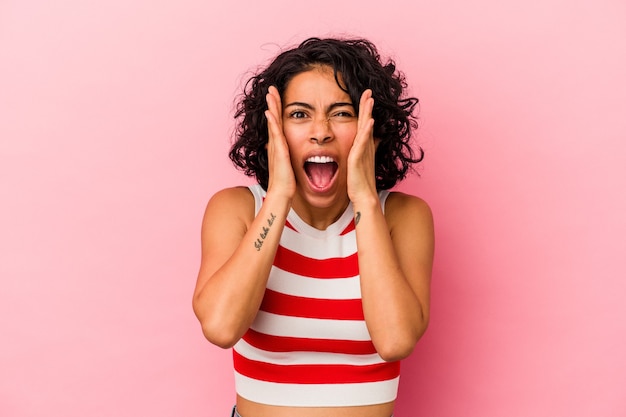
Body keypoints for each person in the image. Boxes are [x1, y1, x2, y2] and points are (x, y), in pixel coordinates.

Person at [192, 36, 434, 417]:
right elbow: (221, 327)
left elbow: (395, 340)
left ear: (371, 128)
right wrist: (278, 195)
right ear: (275, 129)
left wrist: (366, 199)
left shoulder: (402, 217)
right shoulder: (238, 209)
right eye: (300, 114)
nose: (320, 131)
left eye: (341, 113)